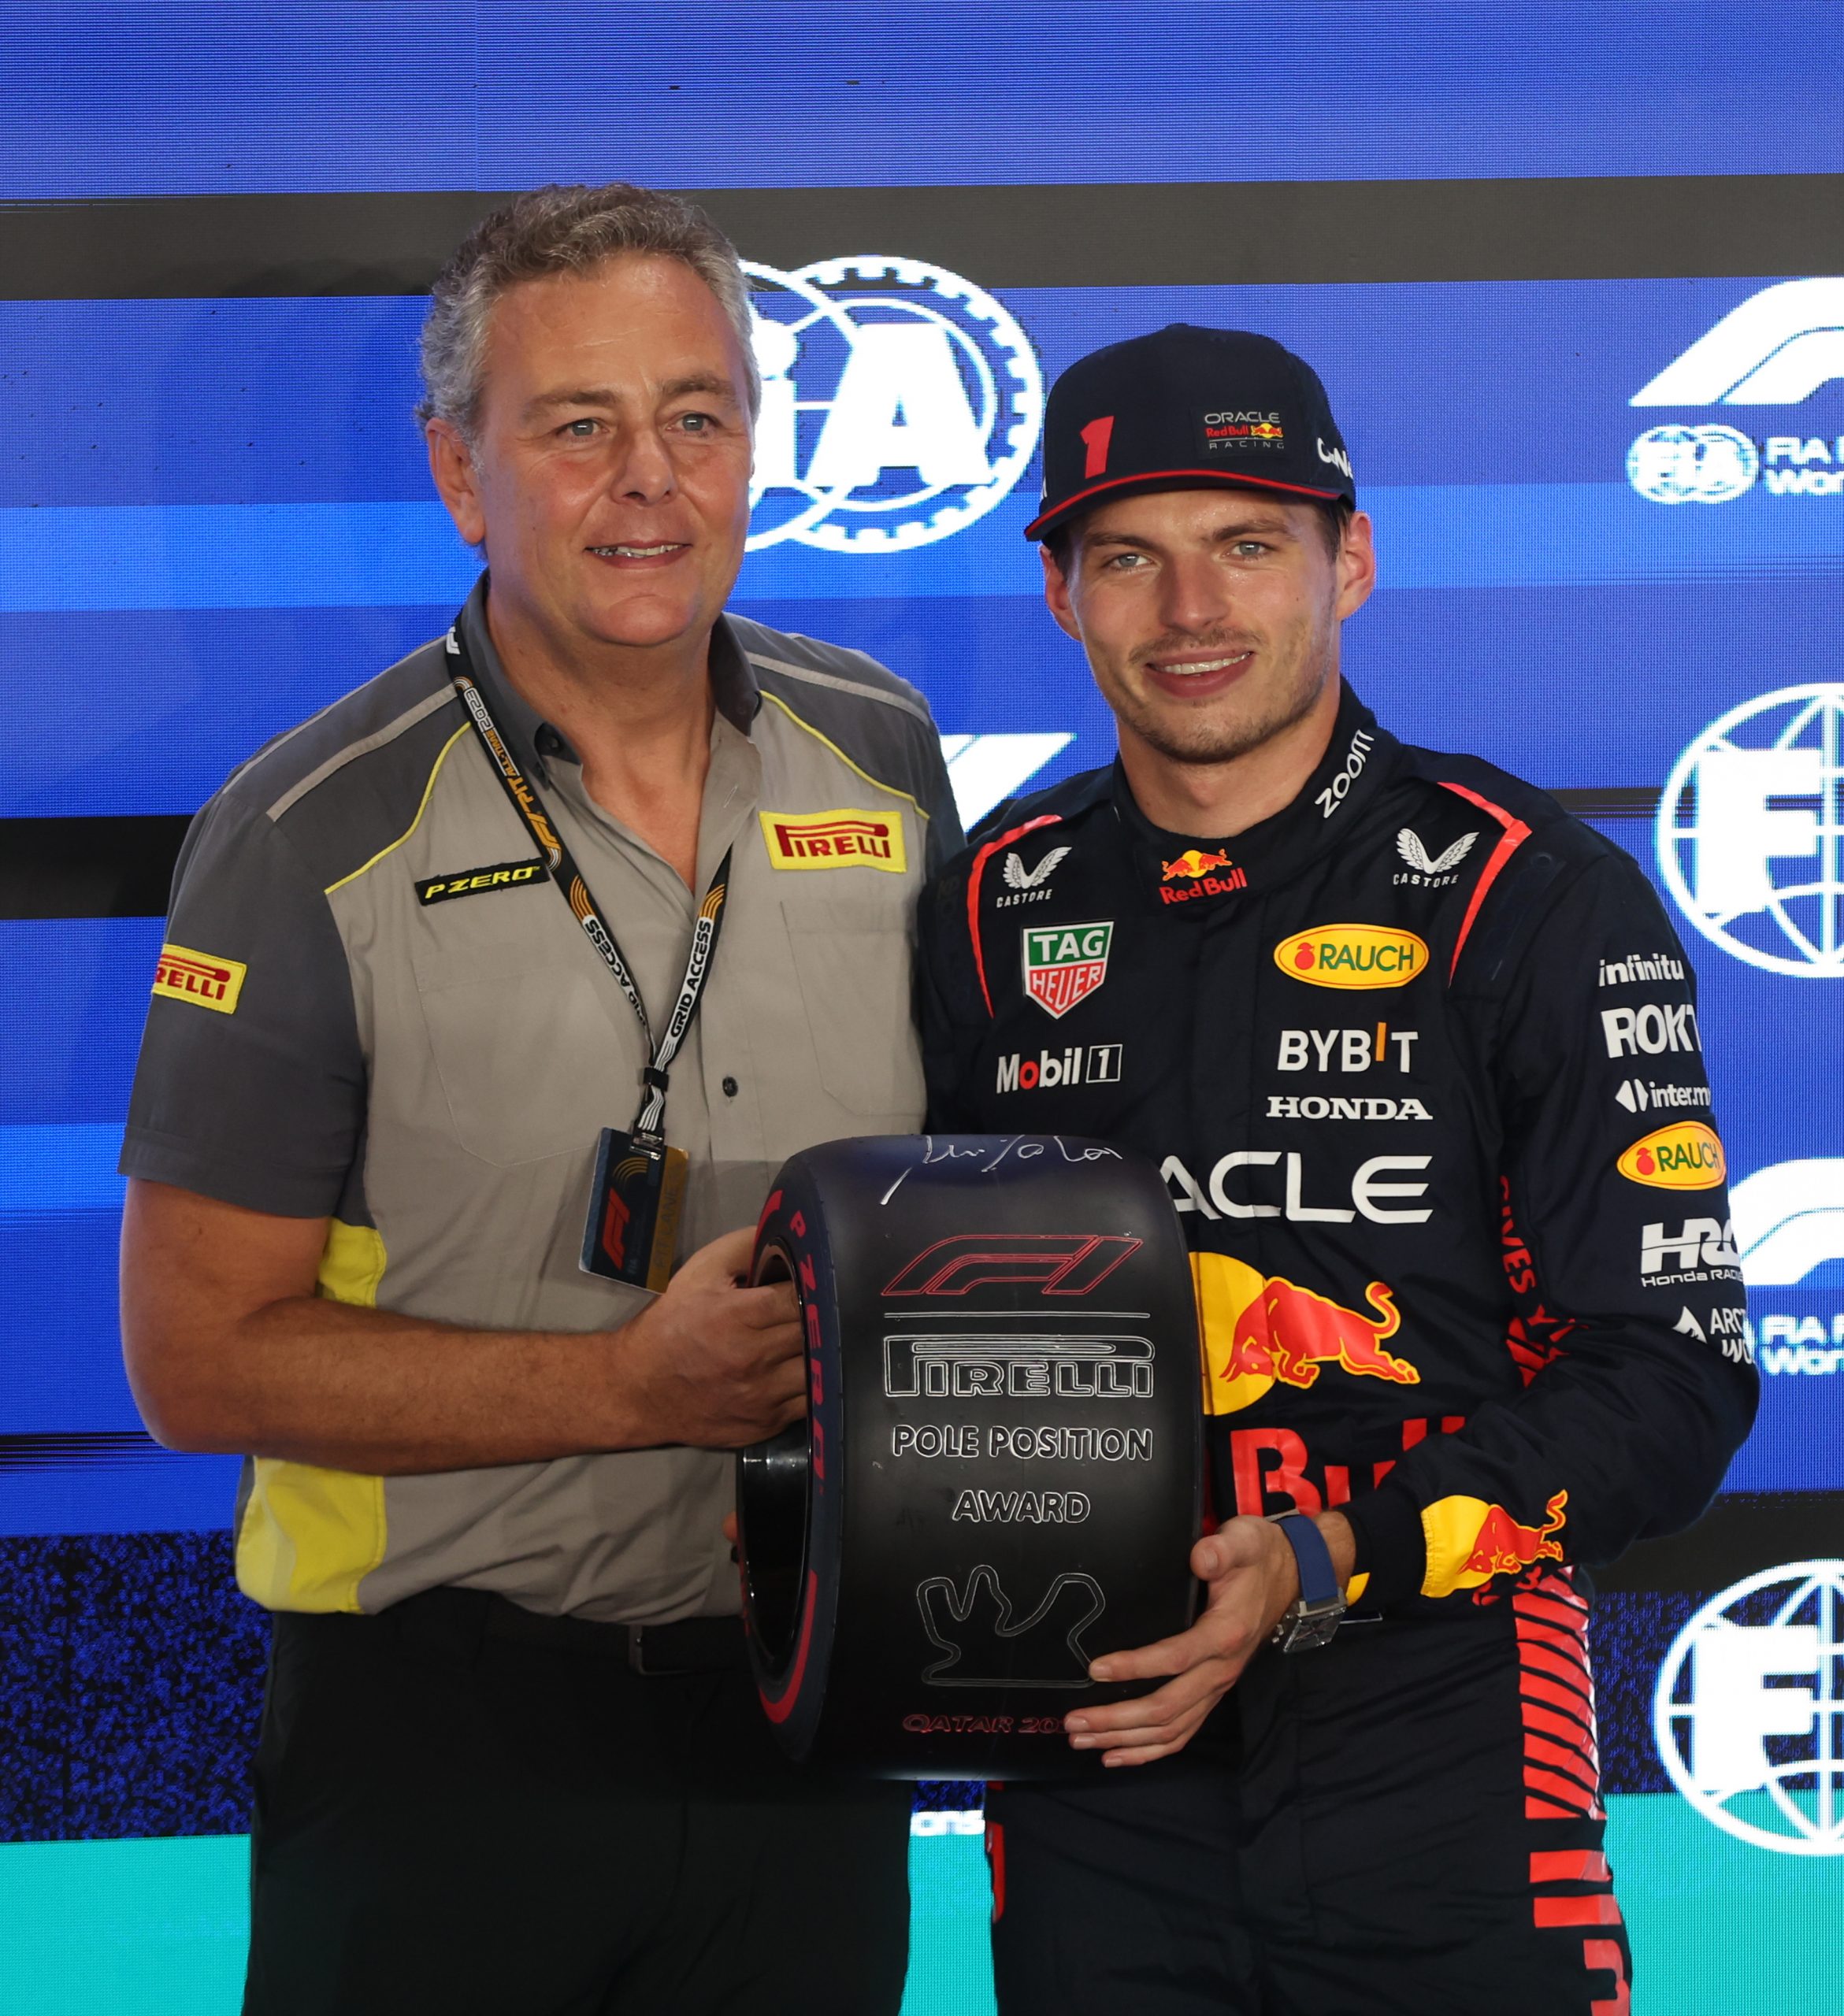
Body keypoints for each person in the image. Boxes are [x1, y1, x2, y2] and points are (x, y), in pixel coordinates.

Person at [118, 181, 961, 2016]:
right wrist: (625, 1388)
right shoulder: (304, 831)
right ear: (460, 470)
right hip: (443, 1741)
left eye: (695, 415)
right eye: (577, 426)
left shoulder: (886, 755)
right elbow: (194, 1362)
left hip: (811, 1706)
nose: (648, 479)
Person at [916, 324, 1757, 2015]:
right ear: (1060, 594)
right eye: (1126, 558)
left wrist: (1324, 1555)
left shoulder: (1528, 892)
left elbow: (1672, 1381)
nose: (1189, 609)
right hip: (1095, 1728)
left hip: (1444, 1731)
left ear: (1349, 562)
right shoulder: (995, 898)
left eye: (1245, 544)